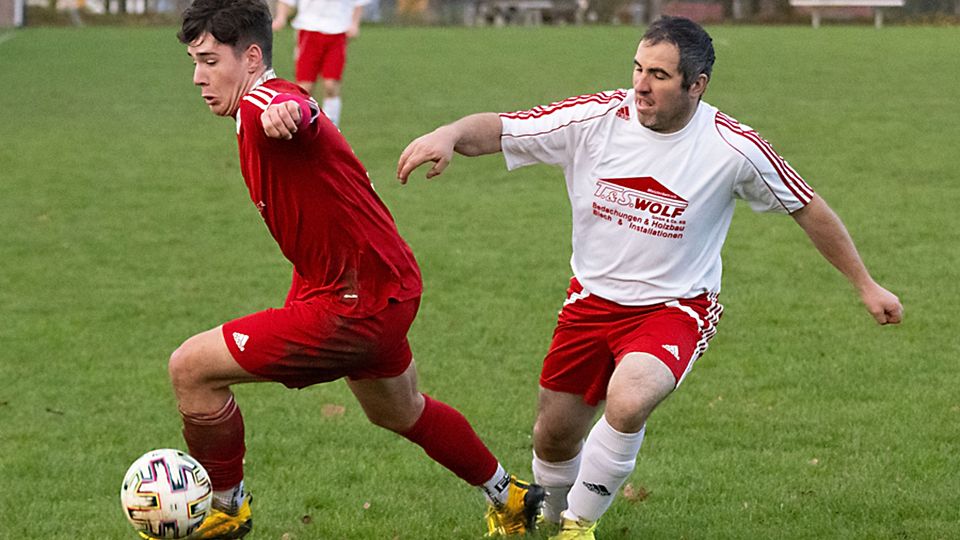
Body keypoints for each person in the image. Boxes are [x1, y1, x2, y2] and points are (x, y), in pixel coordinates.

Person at [395, 16, 903, 540]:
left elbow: (807, 206)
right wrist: (449, 134)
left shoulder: (734, 148)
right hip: (590, 300)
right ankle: (546, 519)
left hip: (676, 306)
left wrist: (866, 284)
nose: (641, 84)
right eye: (638, 68)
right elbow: (503, 128)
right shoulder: (595, 119)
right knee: (553, 436)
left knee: (630, 397)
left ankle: (579, 526)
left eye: (659, 75)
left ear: (696, 84)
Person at [170, 0, 544, 538]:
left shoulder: (263, 104)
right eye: (194, 62)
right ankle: (508, 496)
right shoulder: (252, 105)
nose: (198, 77)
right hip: (381, 284)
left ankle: (228, 508)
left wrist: (293, 115)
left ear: (251, 58)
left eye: (209, 61)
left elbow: (296, 109)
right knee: (399, 410)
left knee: (190, 369)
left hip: (353, 304)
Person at [270, 0, 368, 127]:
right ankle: (305, 127)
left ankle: (332, 127)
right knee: (305, 88)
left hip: (338, 31)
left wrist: (354, 23)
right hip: (308, 30)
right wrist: (281, 17)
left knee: (331, 85)